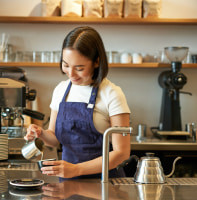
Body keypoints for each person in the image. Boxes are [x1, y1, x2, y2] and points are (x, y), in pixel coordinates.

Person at [24, 26, 131, 179]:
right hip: (68, 183)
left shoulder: (112, 94)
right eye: (65, 65)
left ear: (96, 62)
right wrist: (41, 133)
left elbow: (121, 153)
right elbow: (53, 139)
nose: (71, 74)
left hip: (104, 183)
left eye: (79, 68)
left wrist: (76, 169)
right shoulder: (61, 90)